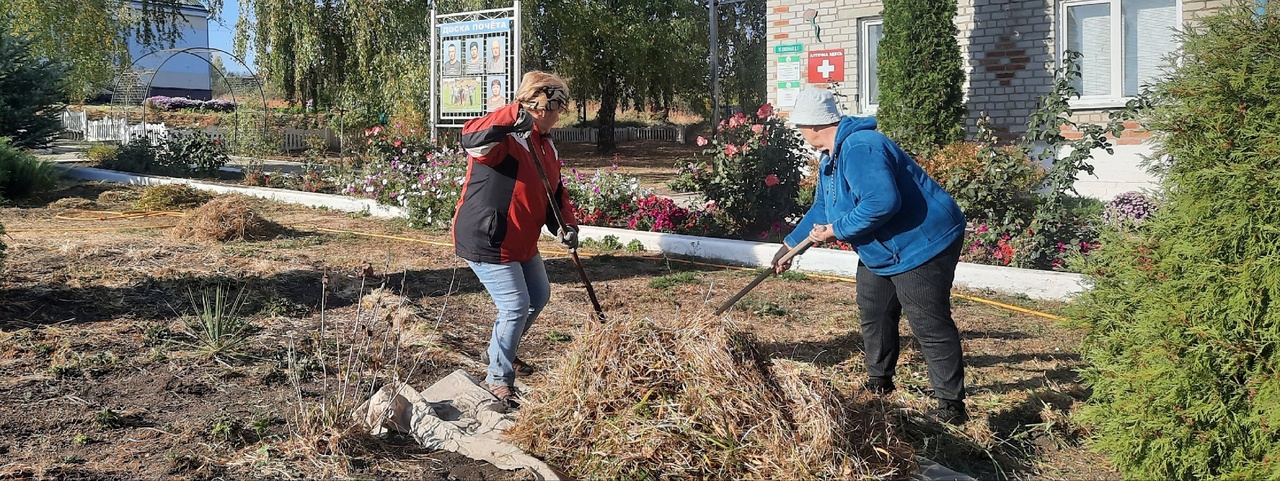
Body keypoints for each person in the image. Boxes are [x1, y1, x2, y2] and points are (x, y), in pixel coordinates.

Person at [772, 88, 970, 425]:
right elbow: (822, 208)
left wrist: (836, 230)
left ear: (814, 125)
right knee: (875, 310)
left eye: (801, 128)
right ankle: (879, 384)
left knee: (927, 322)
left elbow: (881, 202)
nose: (802, 136)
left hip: (922, 243)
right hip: (882, 247)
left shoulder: (861, 147)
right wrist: (790, 246)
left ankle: (951, 406)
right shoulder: (829, 159)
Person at [453, 71, 577, 413]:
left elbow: (555, 191)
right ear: (540, 106)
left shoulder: (545, 142)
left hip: (521, 239)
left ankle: (499, 351)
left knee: (538, 296)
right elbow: (470, 137)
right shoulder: (506, 138)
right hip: (490, 236)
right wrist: (513, 115)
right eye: (556, 107)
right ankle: (497, 379)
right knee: (515, 306)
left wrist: (566, 224)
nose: (559, 115)